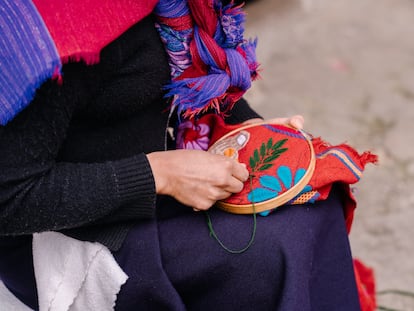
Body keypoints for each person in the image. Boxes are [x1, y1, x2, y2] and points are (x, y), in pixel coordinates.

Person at [0, 0, 364, 310]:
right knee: (280, 245)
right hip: (68, 232)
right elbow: (10, 197)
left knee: (315, 193)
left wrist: (250, 131)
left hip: (151, 171)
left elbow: (183, 83)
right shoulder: (47, 31)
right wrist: (159, 174)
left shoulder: (173, 7)